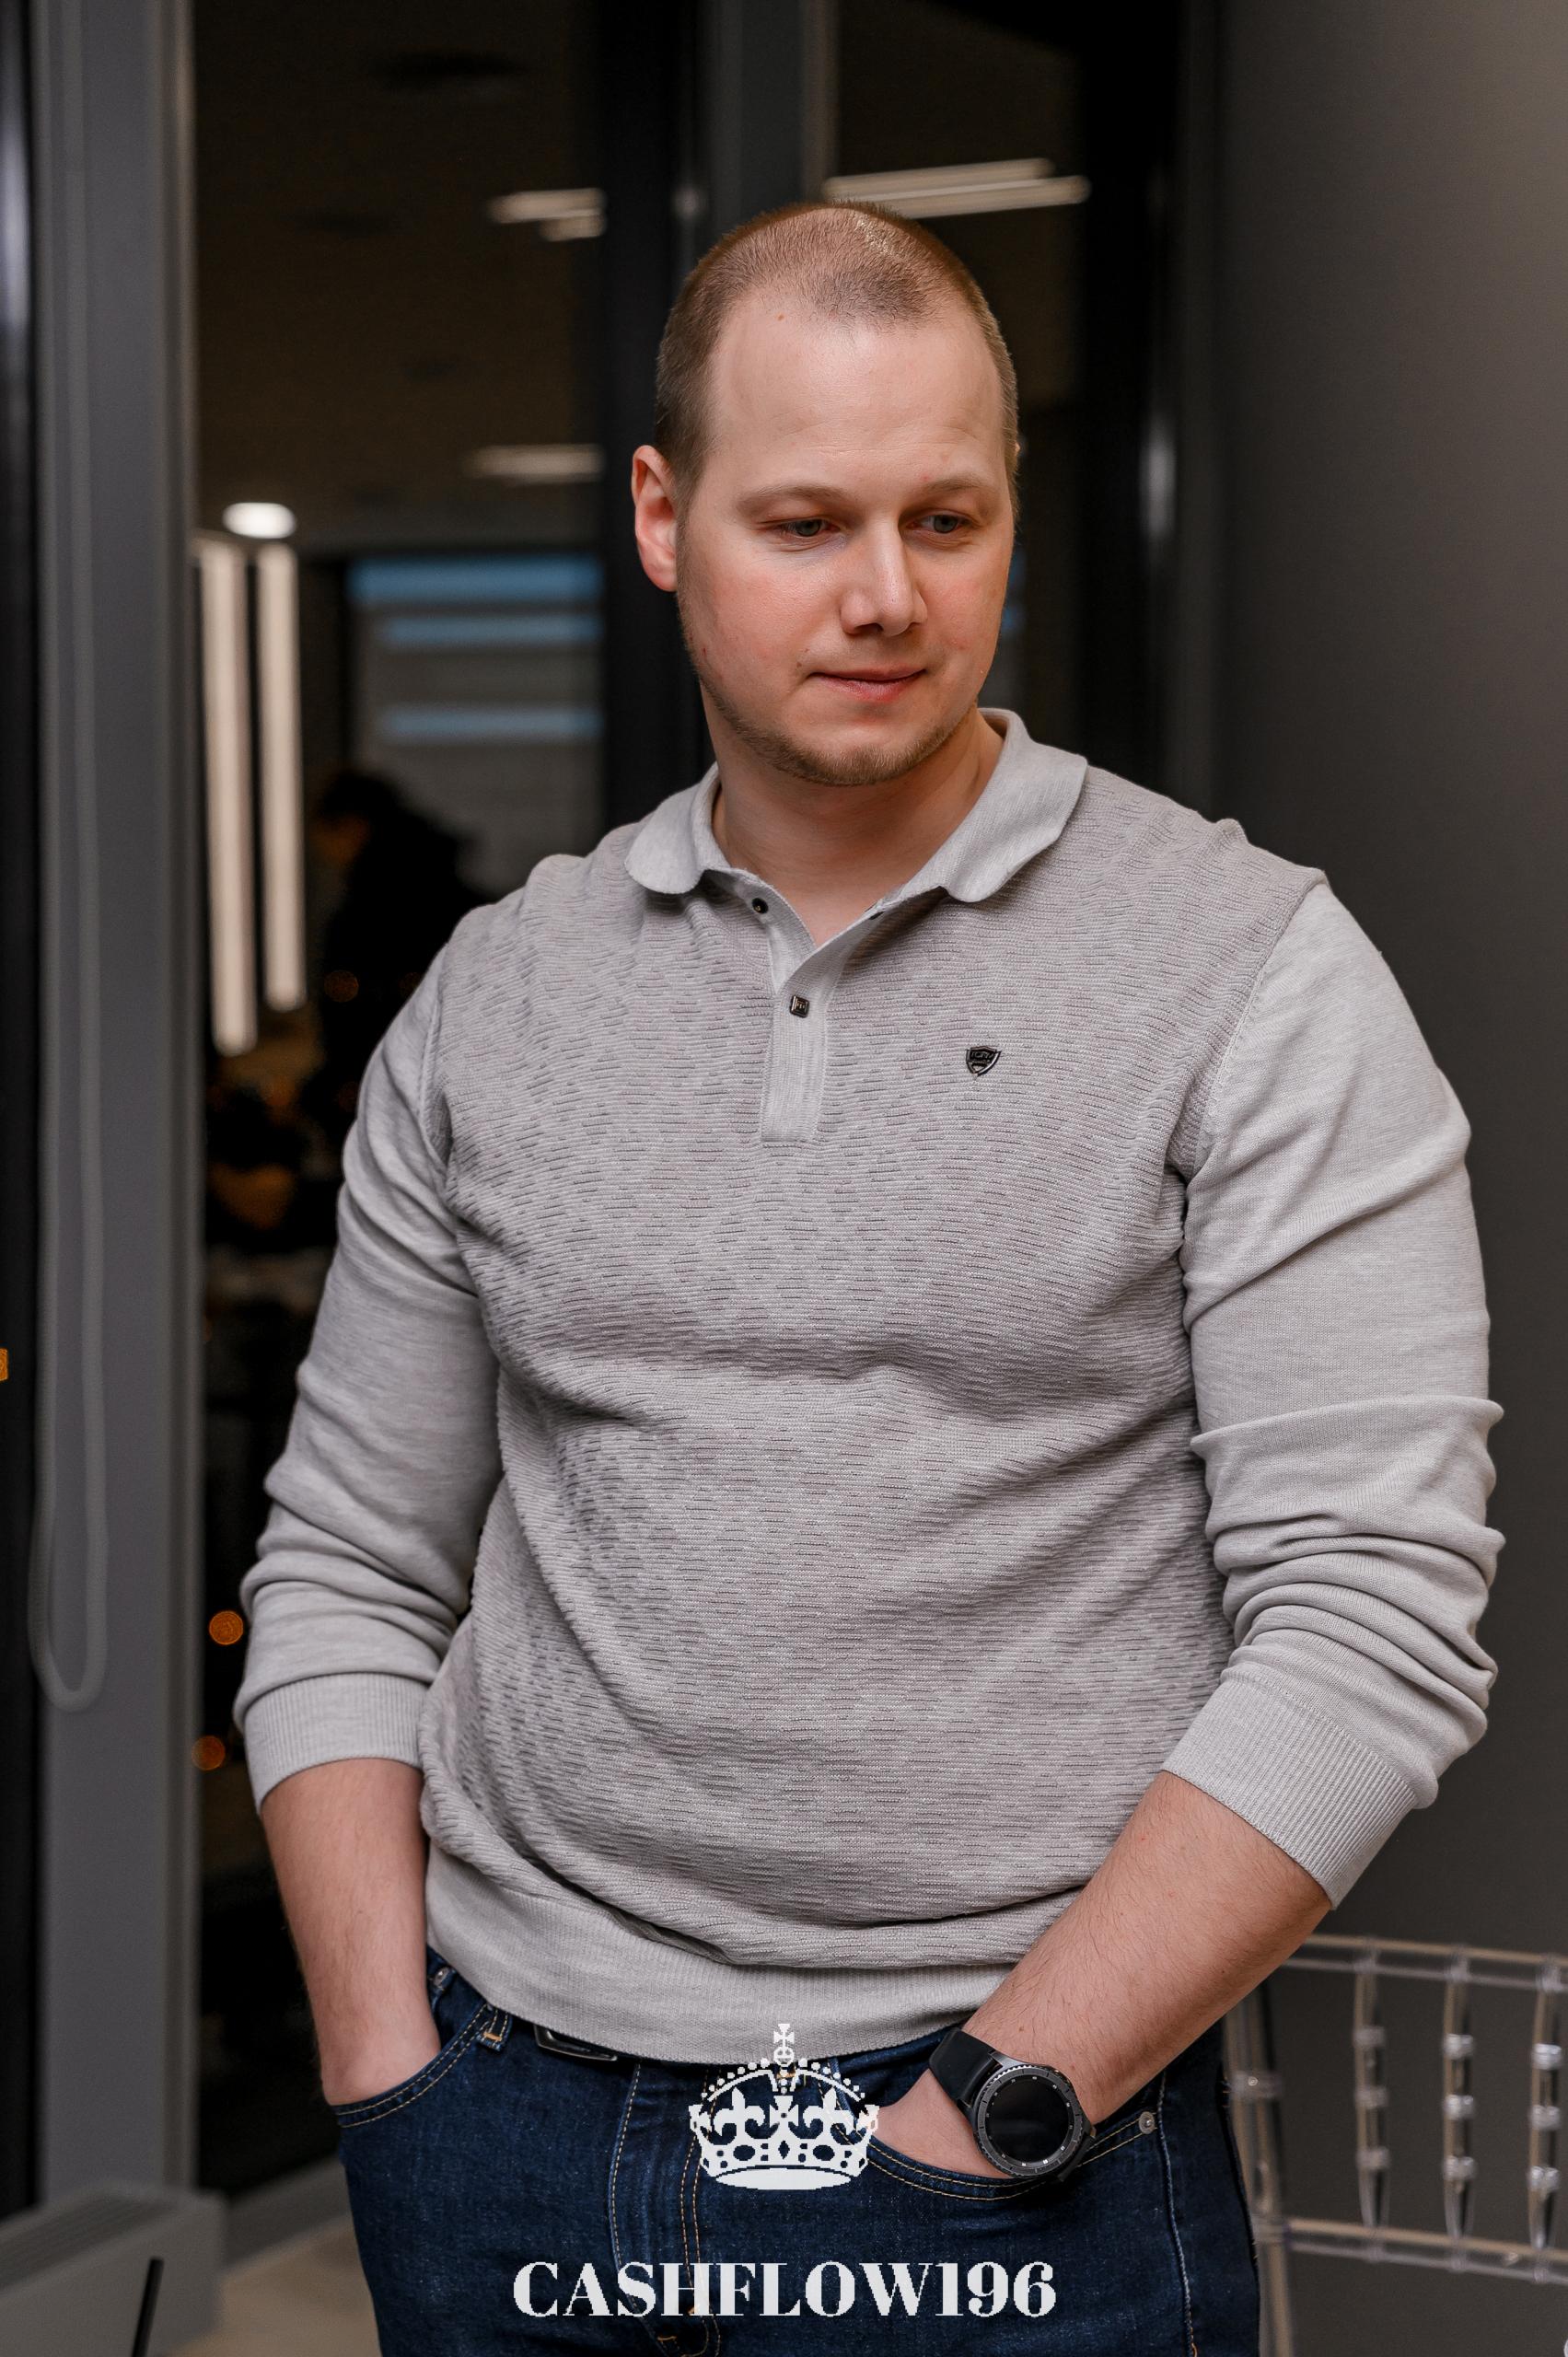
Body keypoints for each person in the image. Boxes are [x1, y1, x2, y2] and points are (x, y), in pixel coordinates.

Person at [233, 202, 1504, 2353]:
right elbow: (351, 1557)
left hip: (1015, 2134)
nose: (887, 594)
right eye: (807, 521)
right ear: (664, 519)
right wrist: (386, 2070)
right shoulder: (501, 994)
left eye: (947, 517)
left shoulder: (1252, 967)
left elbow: (1371, 1616)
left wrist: (988, 2114)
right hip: (506, 2109)